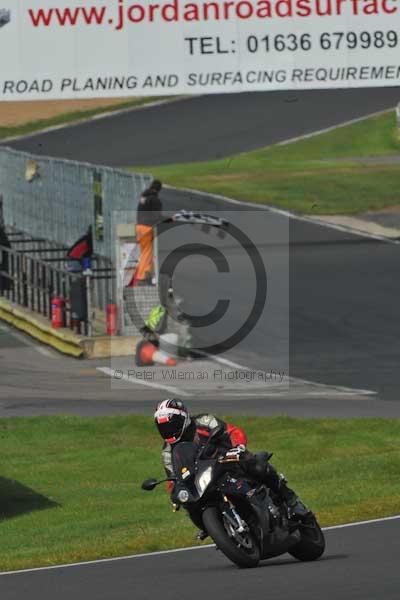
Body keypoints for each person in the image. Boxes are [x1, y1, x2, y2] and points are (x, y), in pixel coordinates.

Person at [154, 398, 311, 538]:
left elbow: (233, 431)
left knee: (257, 466)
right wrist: (175, 491)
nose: (168, 431)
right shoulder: (168, 452)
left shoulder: (204, 421)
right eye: (164, 428)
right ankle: (214, 528)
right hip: (204, 479)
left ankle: (292, 500)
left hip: (230, 460)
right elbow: (173, 479)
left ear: (183, 419)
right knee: (188, 502)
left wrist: (238, 446)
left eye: (172, 425)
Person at [133, 179, 163, 286]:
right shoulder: (155, 200)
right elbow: (156, 216)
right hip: (147, 228)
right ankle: (142, 276)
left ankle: (142, 274)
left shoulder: (143, 197)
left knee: (143, 252)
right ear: (159, 189)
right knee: (147, 253)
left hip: (139, 227)